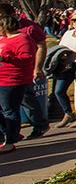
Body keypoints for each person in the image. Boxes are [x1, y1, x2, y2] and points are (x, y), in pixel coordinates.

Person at [0, 13, 38, 153]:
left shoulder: (23, 39)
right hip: (1, 77)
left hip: (13, 80)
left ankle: (10, 140)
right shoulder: (3, 39)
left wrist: (6, 58)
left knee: (10, 109)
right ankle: (9, 132)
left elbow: (27, 58)